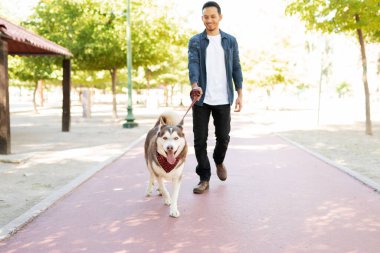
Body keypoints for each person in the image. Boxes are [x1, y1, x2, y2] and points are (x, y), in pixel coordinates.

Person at [188, 1, 243, 194]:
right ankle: (204, 177)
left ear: (220, 17)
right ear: (202, 18)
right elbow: (193, 64)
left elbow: (236, 66)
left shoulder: (230, 41)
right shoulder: (195, 41)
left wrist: (239, 94)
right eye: (205, 16)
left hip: (223, 98)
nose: (209, 20)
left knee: (223, 138)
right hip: (202, 99)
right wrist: (195, 86)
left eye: (212, 16)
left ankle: (219, 160)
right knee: (199, 140)